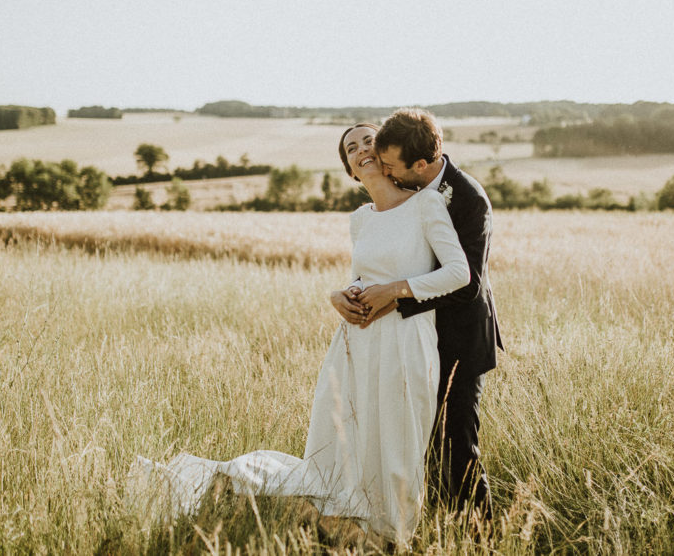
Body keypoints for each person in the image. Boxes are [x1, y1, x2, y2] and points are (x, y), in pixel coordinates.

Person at [128, 123, 469, 547]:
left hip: (405, 341)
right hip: (355, 342)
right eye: (351, 147)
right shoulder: (360, 219)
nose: (362, 148)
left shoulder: (427, 206)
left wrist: (396, 290)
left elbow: (459, 274)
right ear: (348, 168)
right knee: (344, 447)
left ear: (386, 151)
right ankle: (340, 528)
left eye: (369, 140)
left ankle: (393, 537)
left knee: (398, 449)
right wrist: (339, 295)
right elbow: (361, 278)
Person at [338, 108, 503, 520]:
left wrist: (396, 297)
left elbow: (467, 285)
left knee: (457, 443)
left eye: (390, 164)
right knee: (414, 440)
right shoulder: (399, 190)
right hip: (408, 339)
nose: (384, 168)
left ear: (422, 164)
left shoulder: (467, 199)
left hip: (461, 339)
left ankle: (478, 535)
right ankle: (426, 523)